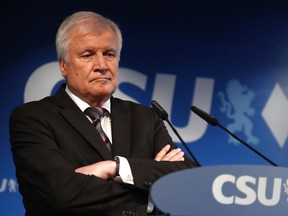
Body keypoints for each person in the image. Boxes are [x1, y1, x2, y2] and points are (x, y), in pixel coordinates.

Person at [9, 11, 198, 216]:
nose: (101, 66)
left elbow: (187, 181)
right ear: (64, 66)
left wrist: (116, 168)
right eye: (88, 55)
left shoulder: (145, 118)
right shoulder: (33, 118)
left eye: (109, 54)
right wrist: (151, 195)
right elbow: (61, 195)